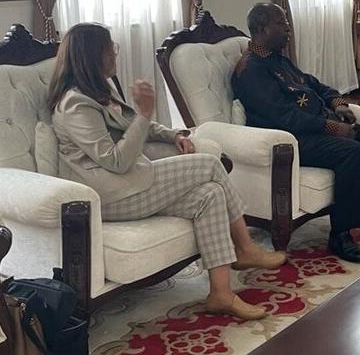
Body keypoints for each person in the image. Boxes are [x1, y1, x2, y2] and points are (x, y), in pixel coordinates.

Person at [48, 23, 286, 320]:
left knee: (210, 195)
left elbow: (135, 125)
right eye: (111, 49)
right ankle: (246, 247)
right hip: (108, 197)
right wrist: (145, 113)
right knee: (210, 164)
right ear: (94, 55)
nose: (115, 54)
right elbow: (116, 160)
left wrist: (174, 135)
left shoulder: (98, 91)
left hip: (128, 184)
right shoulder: (75, 104)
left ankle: (221, 294)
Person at [232, 3, 360, 263]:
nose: (288, 29)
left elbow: (314, 85)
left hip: (318, 127)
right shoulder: (250, 70)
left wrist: (338, 104)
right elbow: (283, 117)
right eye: (282, 24)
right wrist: (332, 127)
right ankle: (341, 233)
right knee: (351, 151)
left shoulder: (278, 59)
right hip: (290, 140)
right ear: (262, 29)